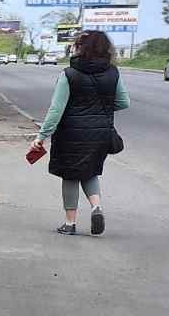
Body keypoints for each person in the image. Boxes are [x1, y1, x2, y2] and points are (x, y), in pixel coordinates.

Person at [28, 29, 128, 236]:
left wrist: (41, 136)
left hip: (71, 133)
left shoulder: (69, 74)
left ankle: (70, 223)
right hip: (101, 133)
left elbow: (56, 110)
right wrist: (97, 112)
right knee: (90, 171)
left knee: (70, 175)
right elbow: (122, 102)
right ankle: (96, 207)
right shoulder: (113, 72)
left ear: (80, 47)